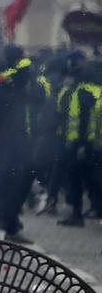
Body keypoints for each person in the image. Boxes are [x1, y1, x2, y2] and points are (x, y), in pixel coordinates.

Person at [0, 45, 40, 243]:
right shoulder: (1, 76)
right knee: (3, 179)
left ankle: (7, 221)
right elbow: (22, 72)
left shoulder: (14, 78)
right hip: (2, 137)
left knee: (19, 177)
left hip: (18, 135)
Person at [57, 51, 102, 227]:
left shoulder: (82, 92)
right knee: (93, 178)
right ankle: (97, 208)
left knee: (76, 176)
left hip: (82, 143)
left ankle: (76, 214)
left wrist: (80, 144)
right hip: (95, 143)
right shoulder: (96, 91)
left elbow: (83, 121)